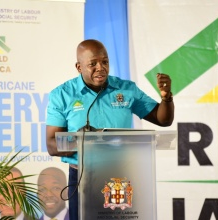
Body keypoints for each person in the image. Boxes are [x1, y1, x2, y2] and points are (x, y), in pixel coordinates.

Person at [46, 39, 174, 220]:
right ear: (79, 67)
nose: (101, 67)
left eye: (105, 62)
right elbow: (52, 145)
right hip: (83, 177)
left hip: (121, 176)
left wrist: (167, 98)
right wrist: (84, 140)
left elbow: (163, 119)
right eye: (93, 64)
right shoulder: (62, 95)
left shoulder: (126, 89)